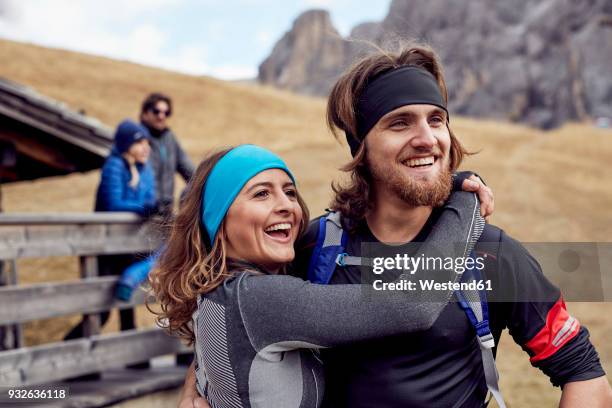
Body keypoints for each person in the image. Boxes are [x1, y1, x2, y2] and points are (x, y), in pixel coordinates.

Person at [179, 44, 612, 407]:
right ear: (361, 148)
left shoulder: (491, 254)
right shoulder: (314, 247)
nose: (427, 138)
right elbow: (233, 323)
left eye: (436, 119)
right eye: (400, 122)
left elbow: (583, 373)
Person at [151, 144, 487, 407]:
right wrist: (464, 197)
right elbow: (412, 305)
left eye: (290, 192)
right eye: (262, 193)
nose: (286, 205)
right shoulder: (258, 300)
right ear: (218, 223)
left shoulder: (219, 295)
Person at [65, 119, 157, 340]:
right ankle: (71, 350)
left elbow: (150, 201)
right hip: (104, 245)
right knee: (102, 308)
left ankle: (135, 359)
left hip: (129, 243)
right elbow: (113, 203)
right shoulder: (114, 166)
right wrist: (143, 209)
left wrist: (153, 208)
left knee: (129, 304)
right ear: (126, 145)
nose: (146, 147)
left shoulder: (145, 170)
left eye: (147, 142)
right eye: (139, 142)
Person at [140, 92, 195, 216]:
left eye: (166, 112)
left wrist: (190, 193)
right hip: (140, 215)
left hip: (166, 213)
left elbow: (191, 173)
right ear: (144, 114)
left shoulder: (170, 139)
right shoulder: (136, 139)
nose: (161, 116)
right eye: (156, 111)